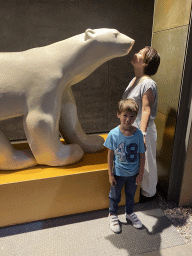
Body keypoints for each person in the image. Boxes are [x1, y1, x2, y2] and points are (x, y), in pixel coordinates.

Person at [122, 46, 160, 202]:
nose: (135, 54)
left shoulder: (148, 84)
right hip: (132, 129)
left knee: (147, 163)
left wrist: (142, 135)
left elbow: (146, 110)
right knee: (136, 161)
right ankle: (139, 191)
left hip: (143, 130)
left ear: (145, 63)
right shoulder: (135, 80)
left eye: (140, 54)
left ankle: (150, 194)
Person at [104, 99, 145, 233]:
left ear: (136, 117)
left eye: (132, 116)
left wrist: (140, 174)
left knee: (130, 195)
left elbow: (142, 155)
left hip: (133, 174)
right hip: (118, 173)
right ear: (118, 114)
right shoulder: (113, 134)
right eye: (125, 115)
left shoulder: (138, 134)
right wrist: (110, 174)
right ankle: (113, 214)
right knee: (115, 196)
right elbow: (110, 155)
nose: (128, 119)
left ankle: (130, 213)